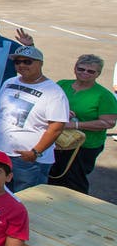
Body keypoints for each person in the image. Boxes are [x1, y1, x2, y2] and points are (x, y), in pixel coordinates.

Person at [0, 46, 68, 192]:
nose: (21, 65)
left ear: (40, 63)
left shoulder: (54, 92)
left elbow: (56, 127)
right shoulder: (9, 82)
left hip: (28, 159)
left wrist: (35, 152)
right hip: (1, 151)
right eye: (18, 62)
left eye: (27, 61)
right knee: (2, 194)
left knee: (27, 199)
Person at [49, 54, 116, 194]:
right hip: (57, 141)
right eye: (81, 69)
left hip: (83, 146)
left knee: (74, 181)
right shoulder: (62, 84)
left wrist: (75, 125)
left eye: (91, 71)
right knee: (52, 178)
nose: (85, 73)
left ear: (98, 74)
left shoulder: (103, 95)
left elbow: (108, 123)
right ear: (75, 68)